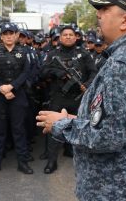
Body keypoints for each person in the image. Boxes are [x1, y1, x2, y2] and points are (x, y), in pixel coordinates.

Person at [36, 0, 126, 200]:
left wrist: (60, 125)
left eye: (105, 10)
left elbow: (109, 138)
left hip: (119, 190)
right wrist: (81, 120)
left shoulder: (122, 64)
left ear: (125, 21)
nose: (98, 15)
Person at [40, 25, 97, 174]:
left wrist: (87, 85)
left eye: (71, 34)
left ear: (76, 37)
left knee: (80, 127)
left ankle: (76, 156)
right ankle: (51, 161)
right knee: (53, 128)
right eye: (65, 34)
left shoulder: (83, 54)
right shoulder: (52, 54)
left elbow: (94, 72)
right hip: (58, 97)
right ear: (60, 37)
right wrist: (58, 73)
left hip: (78, 98)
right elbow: (42, 72)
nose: (68, 37)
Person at [0, 23, 33, 175]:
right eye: (5, 34)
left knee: (19, 130)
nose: (8, 36)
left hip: (18, 96)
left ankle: (23, 163)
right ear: (1, 36)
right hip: (0, 97)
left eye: (11, 33)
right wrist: (1, 88)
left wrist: (11, 87)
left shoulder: (23, 52)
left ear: (17, 35)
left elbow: (26, 73)